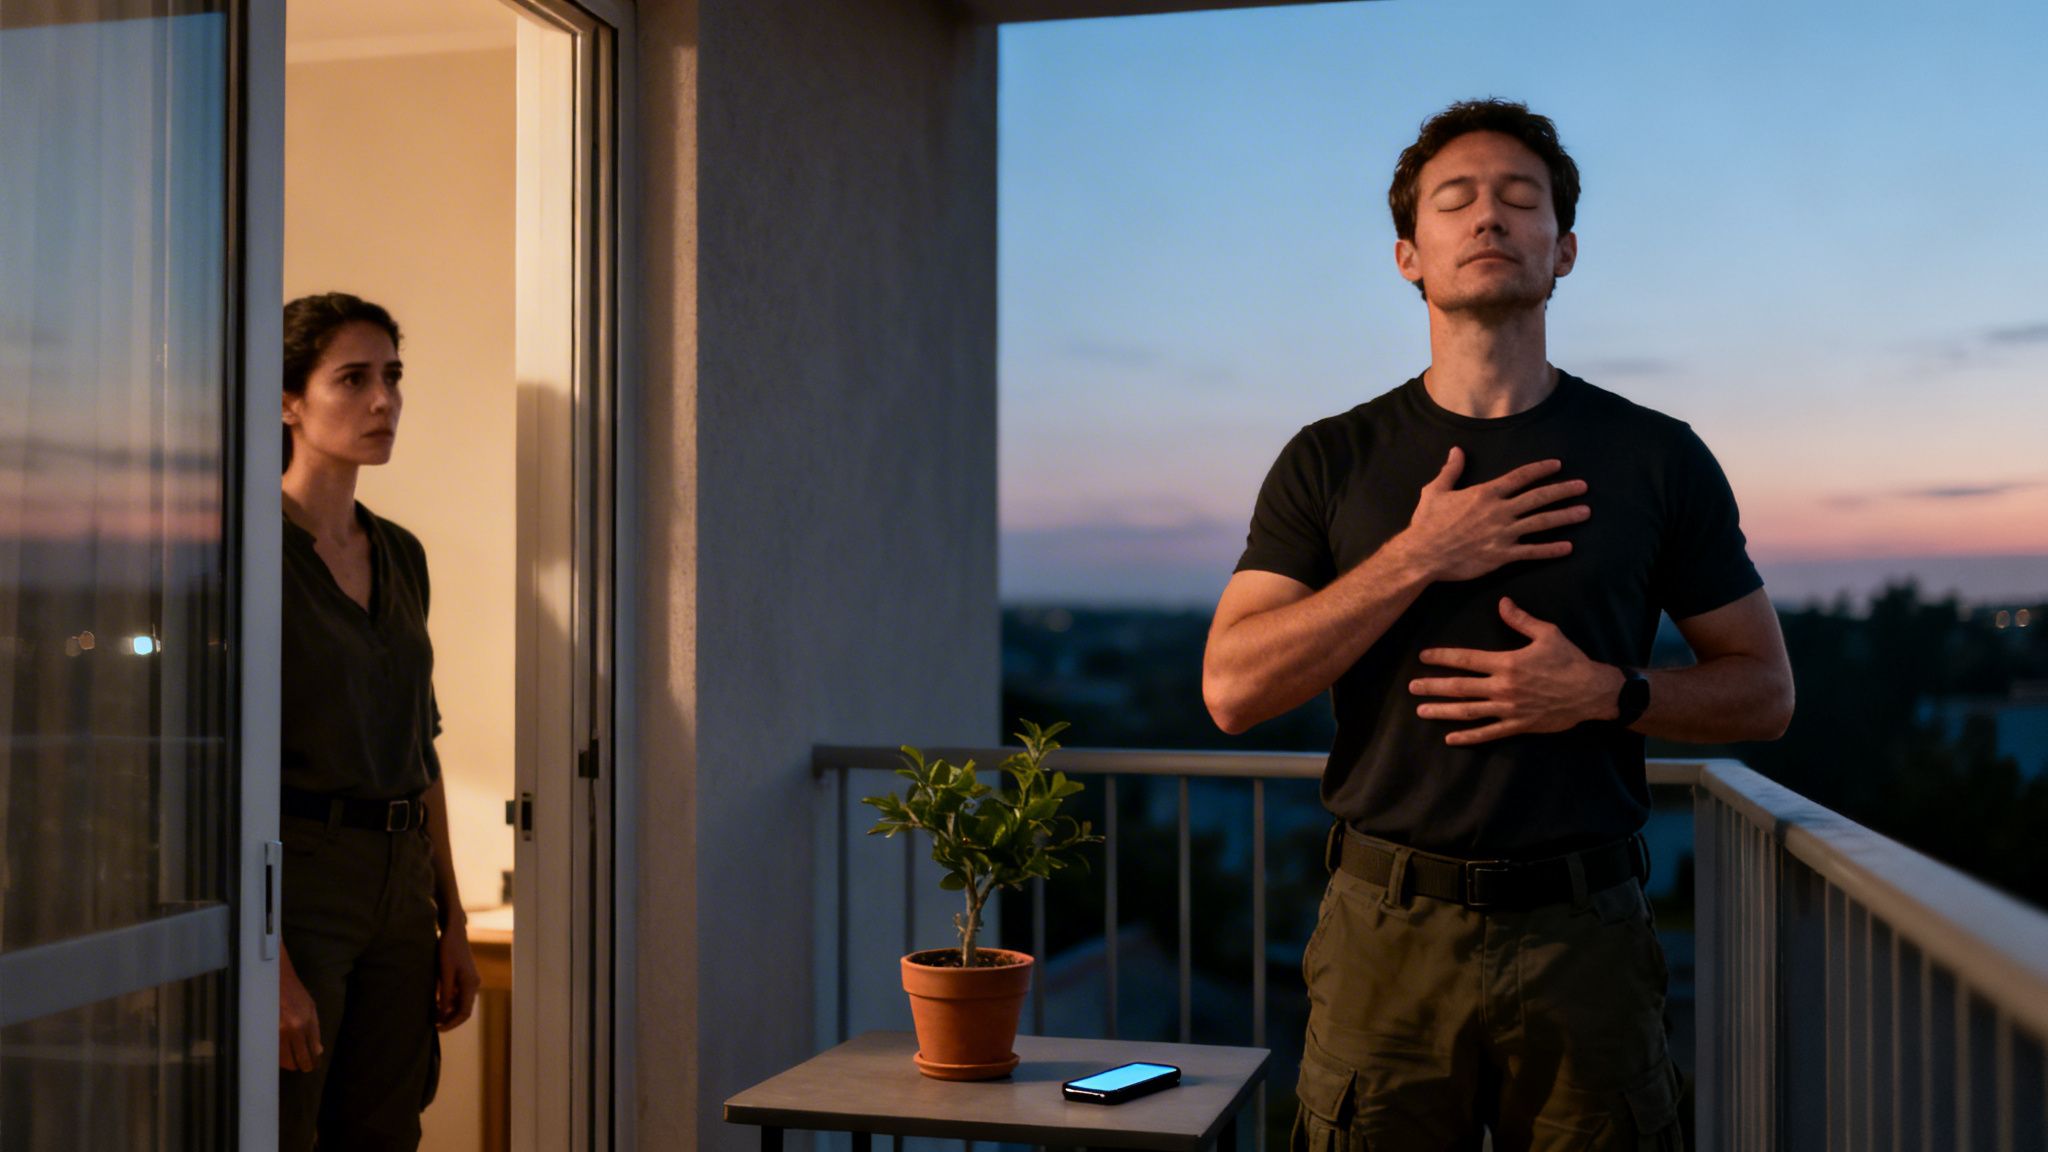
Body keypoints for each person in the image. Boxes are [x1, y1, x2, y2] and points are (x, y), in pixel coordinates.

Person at [1203, 99, 1794, 1151]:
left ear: (1561, 251)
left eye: (1521, 201)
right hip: (1385, 933)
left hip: (1588, 936)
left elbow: (1763, 690)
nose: (1490, 218)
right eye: (1457, 200)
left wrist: (1609, 693)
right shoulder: (1328, 459)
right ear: (1407, 256)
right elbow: (1233, 689)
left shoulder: (1655, 457)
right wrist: (1416, 557)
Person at [278, 292, 480, 1150]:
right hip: (301, 877)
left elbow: (419, 746)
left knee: (388, 1128)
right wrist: (268, 962)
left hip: (403, 881)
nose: (383, 401)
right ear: (289, 401)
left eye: (391, 377)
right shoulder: (250, 551)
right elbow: (215, 762)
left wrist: (454, 921)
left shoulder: (400, 553)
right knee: (287, 1122)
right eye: (352, 379)